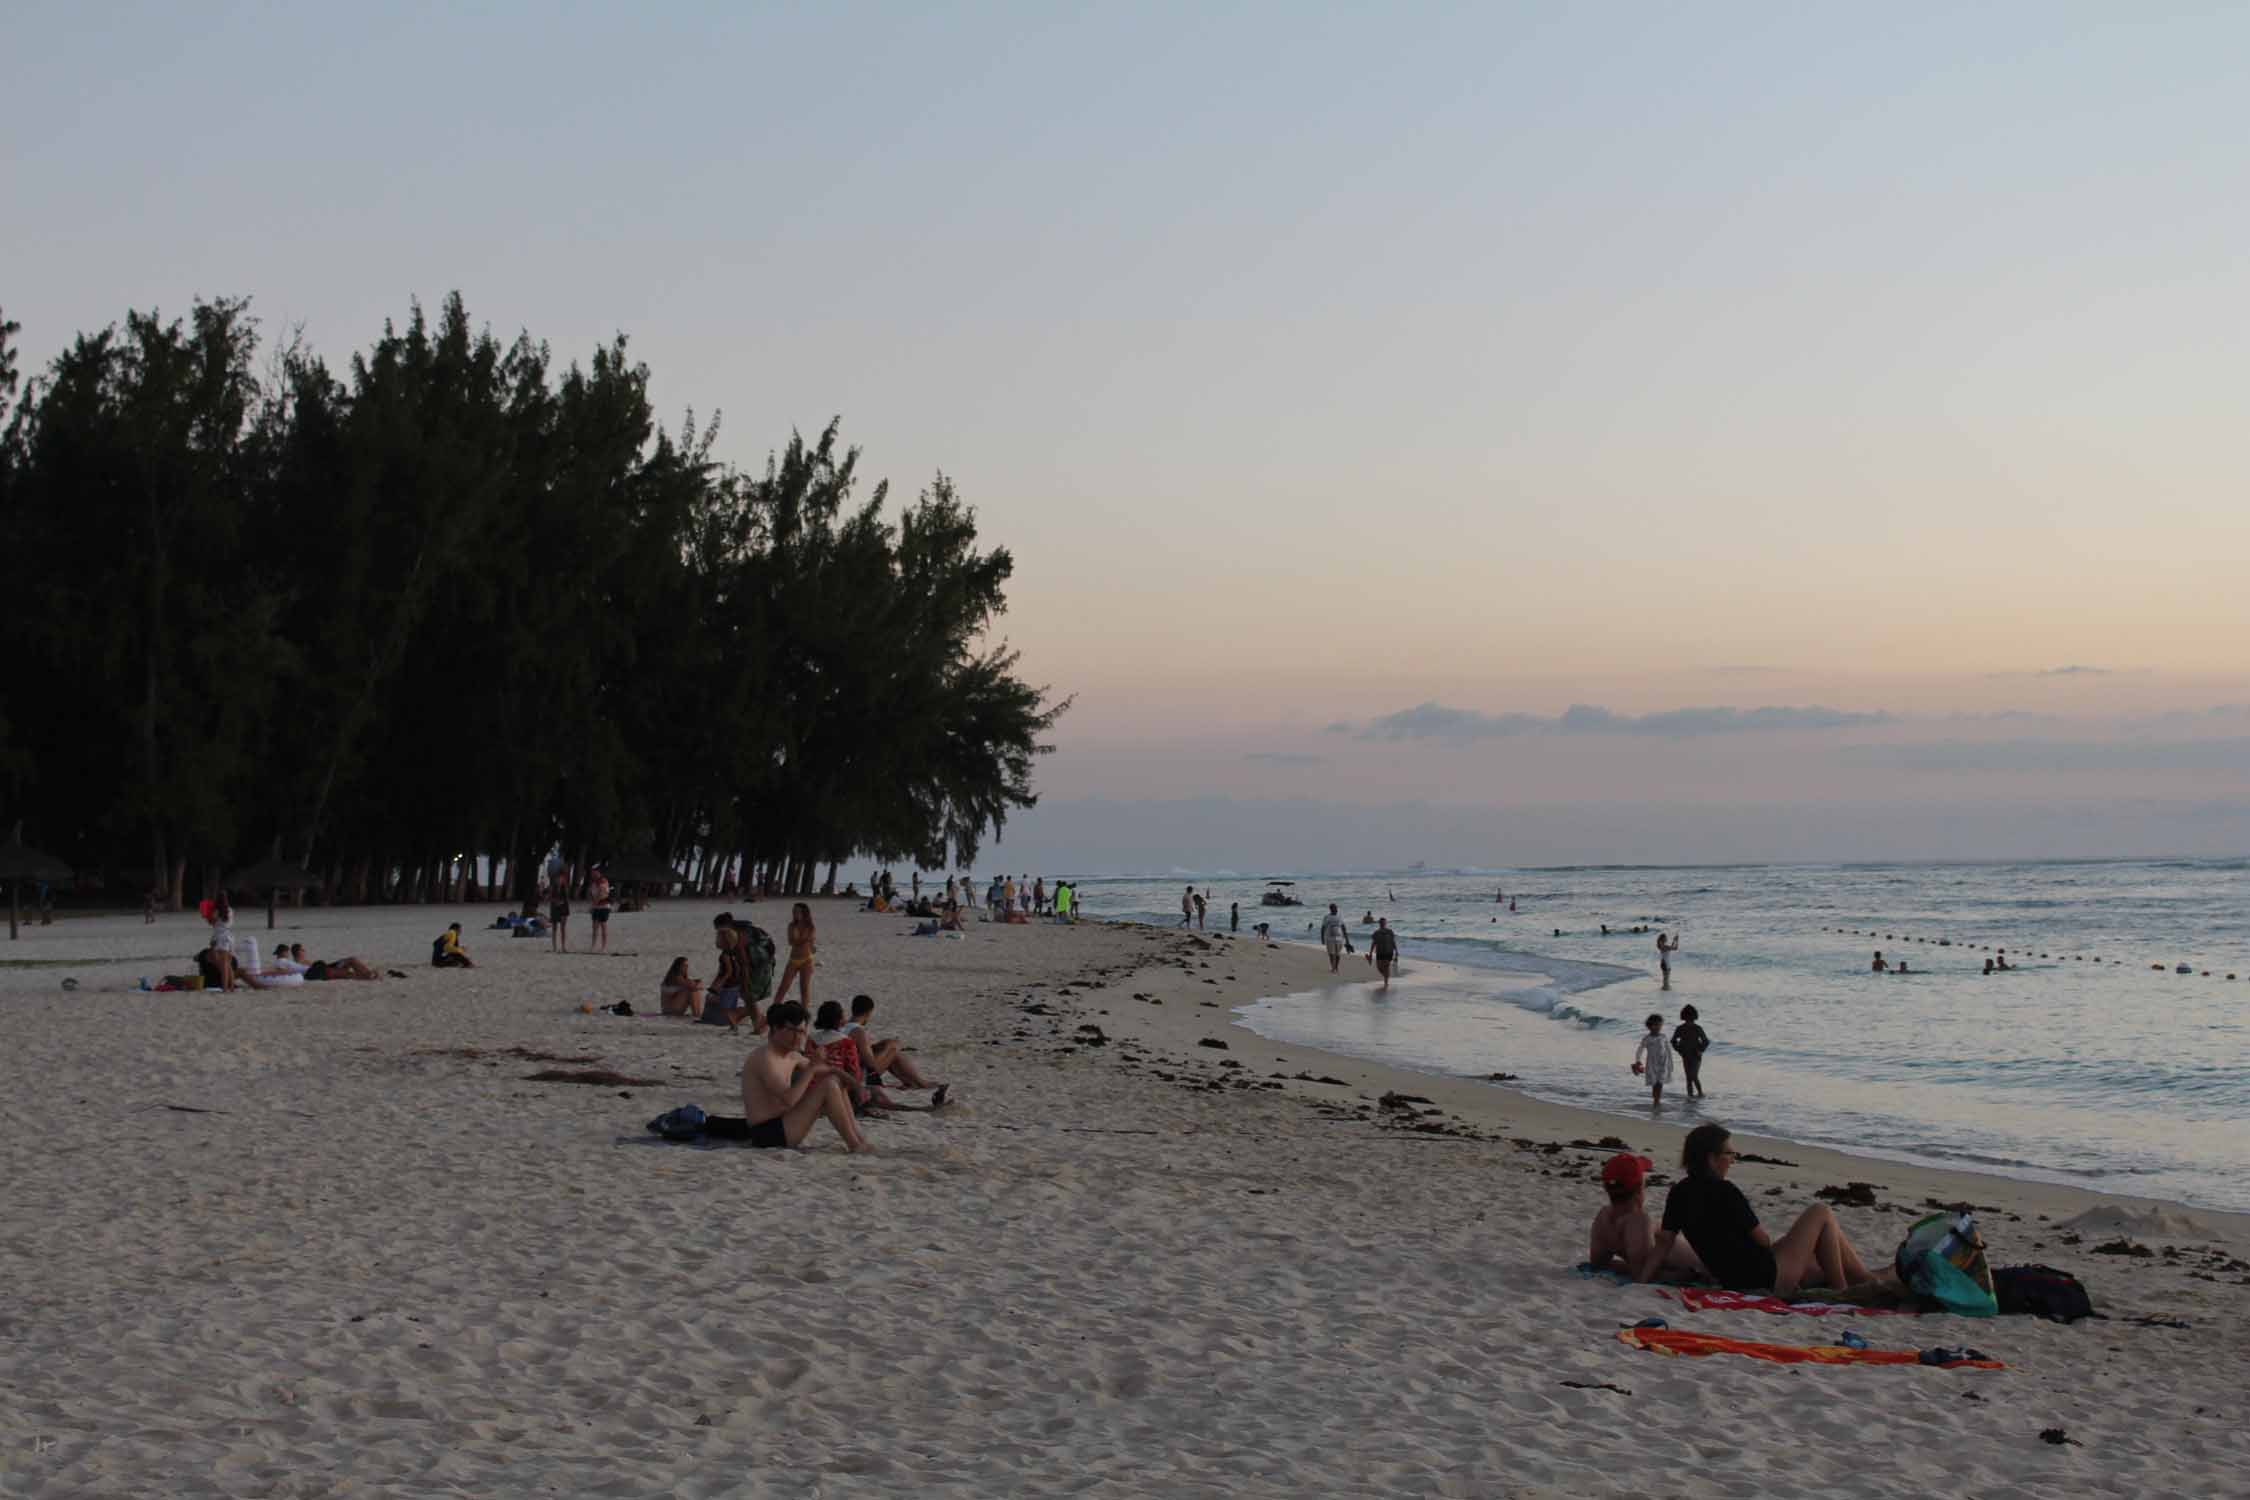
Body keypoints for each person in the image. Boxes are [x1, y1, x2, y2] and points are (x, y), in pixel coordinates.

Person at [1641, 1123, 1890, 1295]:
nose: (1733, 1159)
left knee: (1818, 1256)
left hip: (1732, 1278)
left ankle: (1865, 1279)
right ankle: (1842, 1292)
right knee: (1820, 1212)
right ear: (1711, 1158)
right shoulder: (1726, 1191)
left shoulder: (1679, 1192)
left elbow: (1664, 1242)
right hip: (1763, 1278)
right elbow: (1762, 1239)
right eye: (1729, 1153)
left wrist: (1642, 1280)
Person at [698, 1001, 871, 1152]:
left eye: (802, 1032)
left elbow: (829, 1070)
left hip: (783, 1124)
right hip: (767, 1134)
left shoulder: (791, 1055)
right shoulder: (765, 1057)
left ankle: (858, 1140)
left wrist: (857, 1086)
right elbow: (788, 1100)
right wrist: (811, 1069)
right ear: (775, 1029)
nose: (798, 1037)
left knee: (833, 1080)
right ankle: (855, 1145)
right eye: (792, 1030)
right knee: (828, 1085)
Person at [1589, 1153, 1705, 1281]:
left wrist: (1624, 1267)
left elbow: (1599, 1263)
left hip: (1696, 1260)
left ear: (1606, 1188)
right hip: (1700, 1265)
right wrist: (1685, 1276)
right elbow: (1643, 1276)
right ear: (1640, 1187)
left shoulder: (1603, 1217)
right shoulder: (1639, 1220)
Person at [846, 994, 946, 1096]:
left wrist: (882, 1045)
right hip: (860, 1077)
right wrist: (889, 1047)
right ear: (869, 1012)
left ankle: (915, 1082)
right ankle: (921, 1083)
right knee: (893, 1048)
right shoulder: (858, 1031)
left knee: (890, 1047)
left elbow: (857, 1052)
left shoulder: (844, 1027)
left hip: (849, 1073)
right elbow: (870, 1064)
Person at [702, 923, 753, 1031]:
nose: (716, 940)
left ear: (725, 940)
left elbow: (727, 972)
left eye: (718, 938)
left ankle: (734, 1026)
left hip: (729, 985)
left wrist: (716, 986)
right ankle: (733, 1025)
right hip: (734, 984)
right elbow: (737, 969)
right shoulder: (734, 952)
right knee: (728, 1007)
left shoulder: (725, 955)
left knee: (725, 1008)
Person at [779, 902, 816, 1006]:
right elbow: (792, 942)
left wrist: (805, 941)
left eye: (797, 911)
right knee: (783, 987)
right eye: (793, 911)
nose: (794, 913)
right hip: (793, 959)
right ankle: (774, 1008)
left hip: (806, 960)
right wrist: (806, 940)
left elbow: (808, 943)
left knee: (804, 989)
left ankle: (805, 1014)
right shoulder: (792, 925)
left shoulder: (810, 926)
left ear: (804, 913)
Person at [1633, 1013, 1670, 1109]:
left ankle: (1657, 1100)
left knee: (1660, 1082)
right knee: (1654, 1083)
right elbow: (1640, 1050)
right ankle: (1655, 1099)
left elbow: (1668, 1050)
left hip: (1663, 1063)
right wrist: (1638, 1061)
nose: (1658, 1027)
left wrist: (1670, 1063)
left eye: (1660, 1025)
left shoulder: (1663, 1037)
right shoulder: (1647, 1038)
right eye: (1656, 1025)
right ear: (1650, 1026)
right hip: (1652, 1064)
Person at [1671, 1005, 1709, 1099]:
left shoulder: (1697, 1028)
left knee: (1693, 1076)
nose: (1689, 1021)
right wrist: (1679, 1050)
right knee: (1689, 1078)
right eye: (1688, 1018)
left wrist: (1700, 1051)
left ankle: (1700, 1093)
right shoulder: (1681, 1028)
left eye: (1690, 1018)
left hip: (1695, 1055)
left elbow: (1706, 1041)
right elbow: (1673, 1041)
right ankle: (1690, 1097)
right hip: (1686, 1055)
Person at [1319, 903, 1353, 973]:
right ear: (1331, 909)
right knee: (1331, 954)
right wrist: (1322, 938)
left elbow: (1343, 928)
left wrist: (1347, 940)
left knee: (1338, 954)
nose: (1336, 909)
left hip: (1339, 939)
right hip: (1329, 938)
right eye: (1334, 908)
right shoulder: (1327, 917)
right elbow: (1323, 928)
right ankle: (1333, 967)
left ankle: (1336, 967)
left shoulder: (1339, 917)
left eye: (1336, 908)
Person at [1369, 917, 1398, 991]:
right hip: (1379, 952)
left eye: (1384, 923)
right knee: (1379, 968)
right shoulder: (1376, 933)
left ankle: (1386, 982)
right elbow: (1374, 943)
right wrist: (1371, 952)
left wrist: (1396, 951)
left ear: (1386, 923)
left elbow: (1393, 942)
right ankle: (1386, 977)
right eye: (1381, 923)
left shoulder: (1390, 931)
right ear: (1379, 923)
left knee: (1386, 966)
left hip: (1389, 952)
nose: (1383, 924)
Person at [588, 869, 612, 953]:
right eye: (592, 873)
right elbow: (592, 895)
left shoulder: (603, 881)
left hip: (604, 906)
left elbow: (601, 894)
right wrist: (593, 905)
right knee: (594, 927)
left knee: (603, 926)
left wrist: (592, 906)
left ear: (599, 873)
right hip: (596, 907)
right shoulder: (593, 883)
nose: (594, 875)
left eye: (595, 873)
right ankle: (593, 946)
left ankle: (603, 947)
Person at [548, 874, 571, 953]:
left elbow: (566, 899)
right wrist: (555, 902)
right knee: (554, 928)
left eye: (561, 878)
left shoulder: (565, 888)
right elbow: (550, 898)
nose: (559, 880)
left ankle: (563, 947)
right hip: (554, 908)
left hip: (563, 908)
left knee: (563, 928)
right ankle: (554, 947)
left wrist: (560, 902)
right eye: (558, 878)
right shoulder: (552, 887)